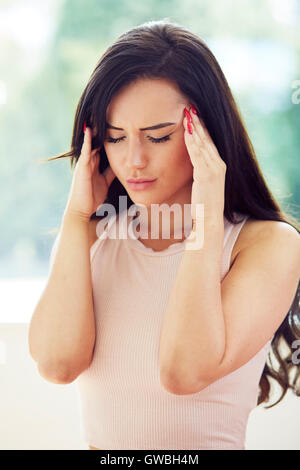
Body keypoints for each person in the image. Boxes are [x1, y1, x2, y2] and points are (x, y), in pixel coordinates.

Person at [28, 20, 300, 450]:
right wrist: (77, 217)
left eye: (158, 136)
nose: (134, 160)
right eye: (116, 138)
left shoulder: (268, 245)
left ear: (206, 132)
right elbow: (57, 365)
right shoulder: (89, 236)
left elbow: (184, 372)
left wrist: (207, 219)